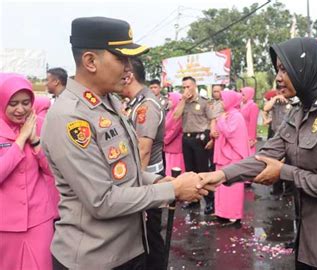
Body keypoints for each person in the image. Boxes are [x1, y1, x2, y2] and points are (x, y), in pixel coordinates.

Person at [41, 17, 209, 269]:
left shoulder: (109, 103)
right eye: (121, 59)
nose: (129, 68)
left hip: (128, 250)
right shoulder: (70, 117)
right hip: (95, 258)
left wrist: (158, 181)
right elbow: (102, 201)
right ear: (90, 61)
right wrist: (172, 191)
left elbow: (121, 170)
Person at [198, 37, 317, 269]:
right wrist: (219, 176)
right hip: (308, 236)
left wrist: (284, 171)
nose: (279, 77)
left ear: (307, 68)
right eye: (278, 69)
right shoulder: (299, 112)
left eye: (286, 69)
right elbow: (265, 156)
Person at [0, 73, 56, 270]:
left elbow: (53, 171)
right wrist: (20, 141)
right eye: (13, 103)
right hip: (4, 223)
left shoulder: (39, 125)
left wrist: (35, 142)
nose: (20, 109)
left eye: (26, 102)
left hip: (39, 218)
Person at [121, 57, 167, 270]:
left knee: (150, 236)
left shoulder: (147, 105)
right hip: (140, 176)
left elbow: (143, 149)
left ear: (128, 76)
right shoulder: (136, 102)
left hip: (147, 177)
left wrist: (135, 189)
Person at [173, 76, 215, 214]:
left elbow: (212, 119)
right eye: (183, 87)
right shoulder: (183, 102)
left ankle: (209, 201)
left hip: (200, 138)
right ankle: (194, 200)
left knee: (203, 171)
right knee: (190, 171)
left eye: (188, 86)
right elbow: (175, 116)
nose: (186, 89)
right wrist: (183, 100)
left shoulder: (204, 102)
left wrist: (212, 137)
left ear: (195, 86)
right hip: (186, 138)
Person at [213, 90, 249, 225]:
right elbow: (221, 132)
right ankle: (222, 212)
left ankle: (234, 215)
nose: (221, 102)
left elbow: (229, 133)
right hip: (223, 155)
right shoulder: (227, 114)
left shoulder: (236, 116)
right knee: (221, 186)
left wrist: (221, 120)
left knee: (232, 187)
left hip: (232, 156)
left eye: (223, 99)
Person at [263, 85, 294, 196]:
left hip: (291, 137)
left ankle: (289, 189)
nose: (282, 91)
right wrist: (275, 98)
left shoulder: (293, 101)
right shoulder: (275, 102)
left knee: (289, 162)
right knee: (275, 161)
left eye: (284, 89)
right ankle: (277, 188)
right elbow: (265, 108)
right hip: (276, 136)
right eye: (279, 90)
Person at [164, 92, 185, 176]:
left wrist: (165, 140)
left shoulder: (179, 113)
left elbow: (175, 130)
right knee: (169, 169)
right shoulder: (169, 112)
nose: (168, 102)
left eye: (170, 100)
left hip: (176, 146)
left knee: (176, 169)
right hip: (168, 146)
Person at [240, 86, 259, 155]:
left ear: (249, 95)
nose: (241, 96)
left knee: (247, 154)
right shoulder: (240, 105)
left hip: (248, 135)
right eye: (241, 95)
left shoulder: (253, 106)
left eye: (243, 95)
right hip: (240, 133)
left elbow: (253, 124)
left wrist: (251, 139)